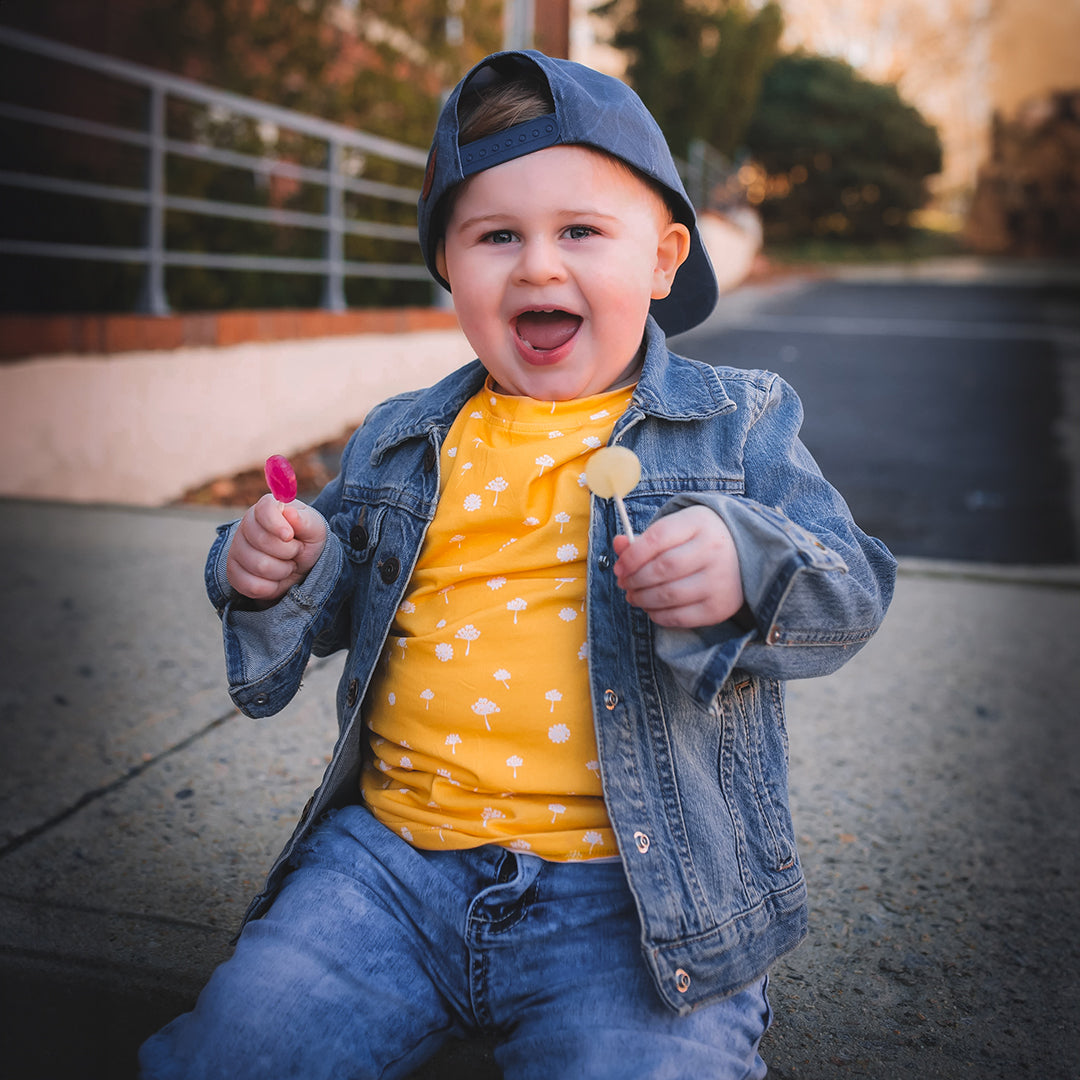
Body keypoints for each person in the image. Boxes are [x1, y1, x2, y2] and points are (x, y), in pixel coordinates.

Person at [140, 50, 895, 1080]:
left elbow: (851, 580)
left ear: (666, 257)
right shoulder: (404, 439)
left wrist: (745, 562)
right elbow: (316, 598)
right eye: (497, 236)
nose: (539, 267)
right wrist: (275, 564)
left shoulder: (738, 421)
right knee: (234, 1053)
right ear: (450, 266)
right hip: (389, 870)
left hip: (635, 898)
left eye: (581, 231)